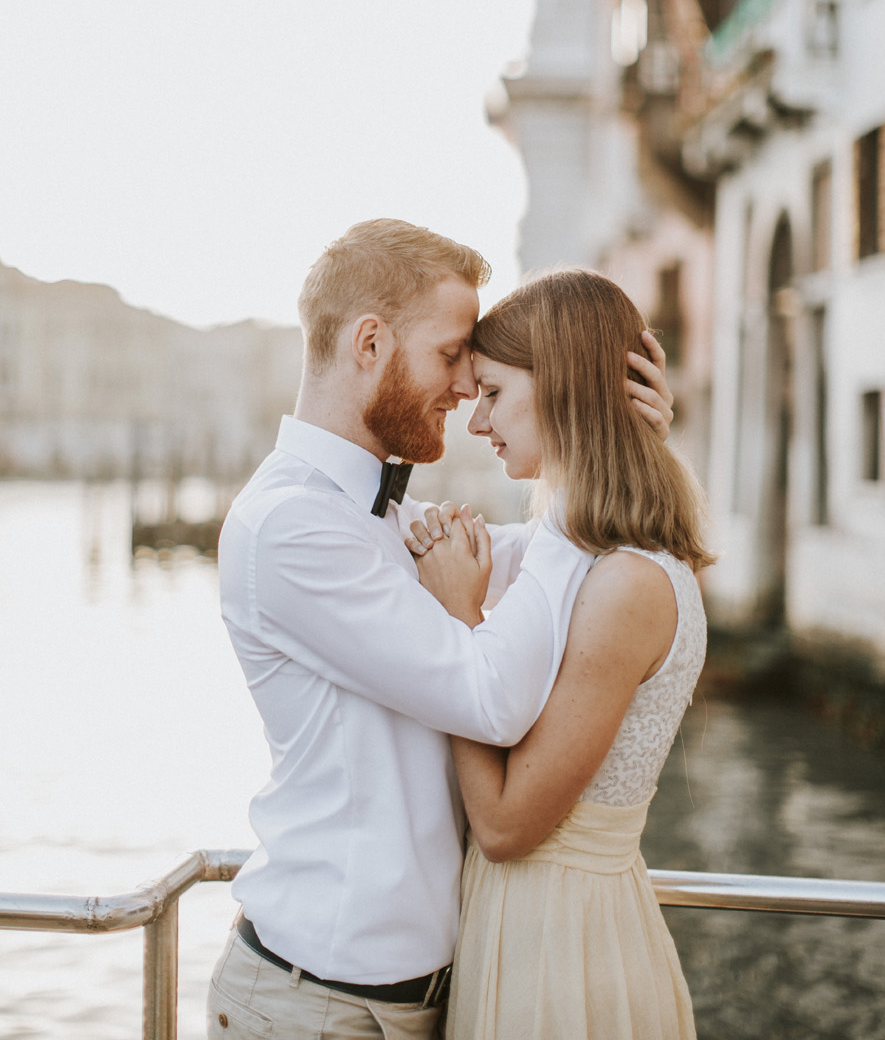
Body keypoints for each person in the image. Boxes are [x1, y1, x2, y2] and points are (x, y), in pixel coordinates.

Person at [206, 220, 674, 1040]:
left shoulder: (385, 515)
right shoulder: (292, 527)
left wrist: (617, 444)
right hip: (316, 1007)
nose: (465, 389)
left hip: (420, 1000)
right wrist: (584, 467)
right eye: (452, 354)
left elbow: (549, 557)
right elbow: (489, 697)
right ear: (370, 342)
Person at [406, 268, 712, 1040]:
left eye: (493, 392)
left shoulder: (626, 584)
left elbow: (508, 828)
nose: (476, 422)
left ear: (565, 388)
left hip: (560, 950)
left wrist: (459, 622)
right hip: (535, 924)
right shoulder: (589, 555)